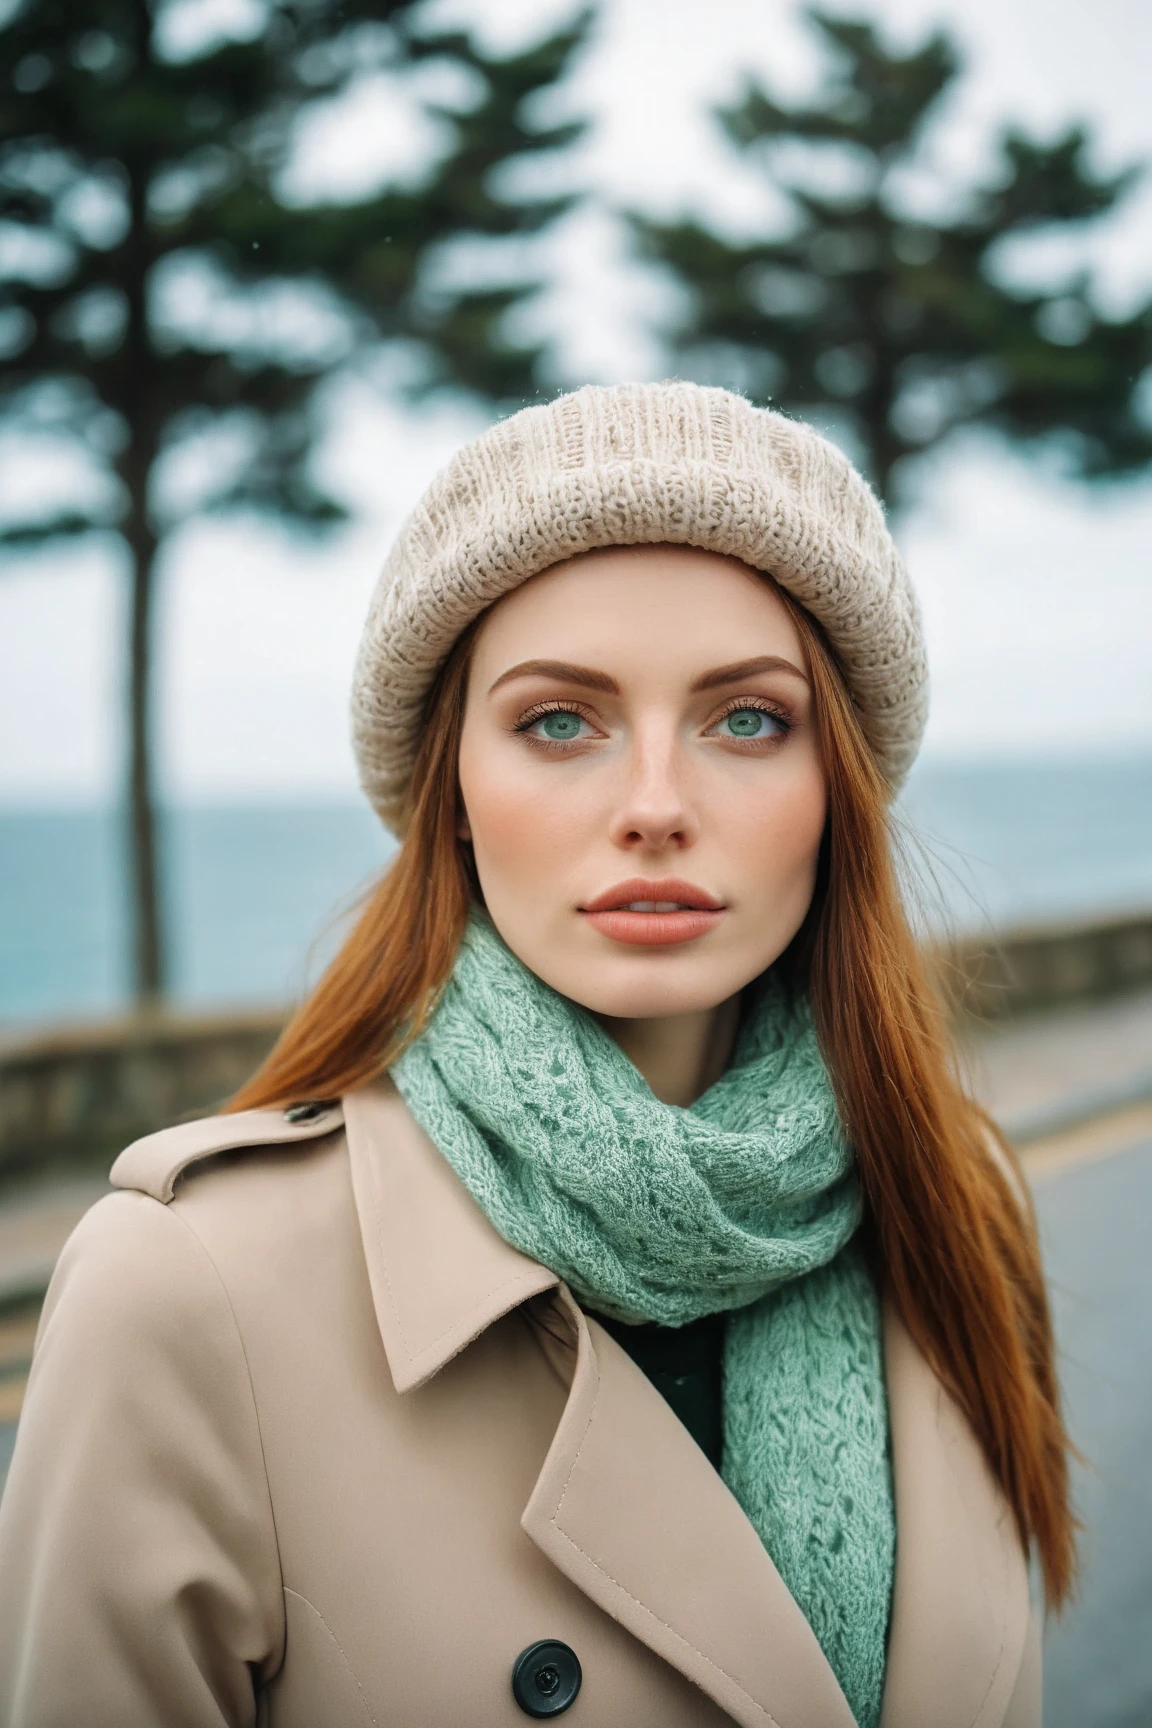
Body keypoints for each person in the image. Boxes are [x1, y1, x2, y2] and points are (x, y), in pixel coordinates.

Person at [0, 382, 1072, 1727]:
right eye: (560, 720)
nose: (656, 808)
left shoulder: (957, 1201)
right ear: (450, 791)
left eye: (748, 718)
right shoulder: (185, 1292)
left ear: (836, 788)